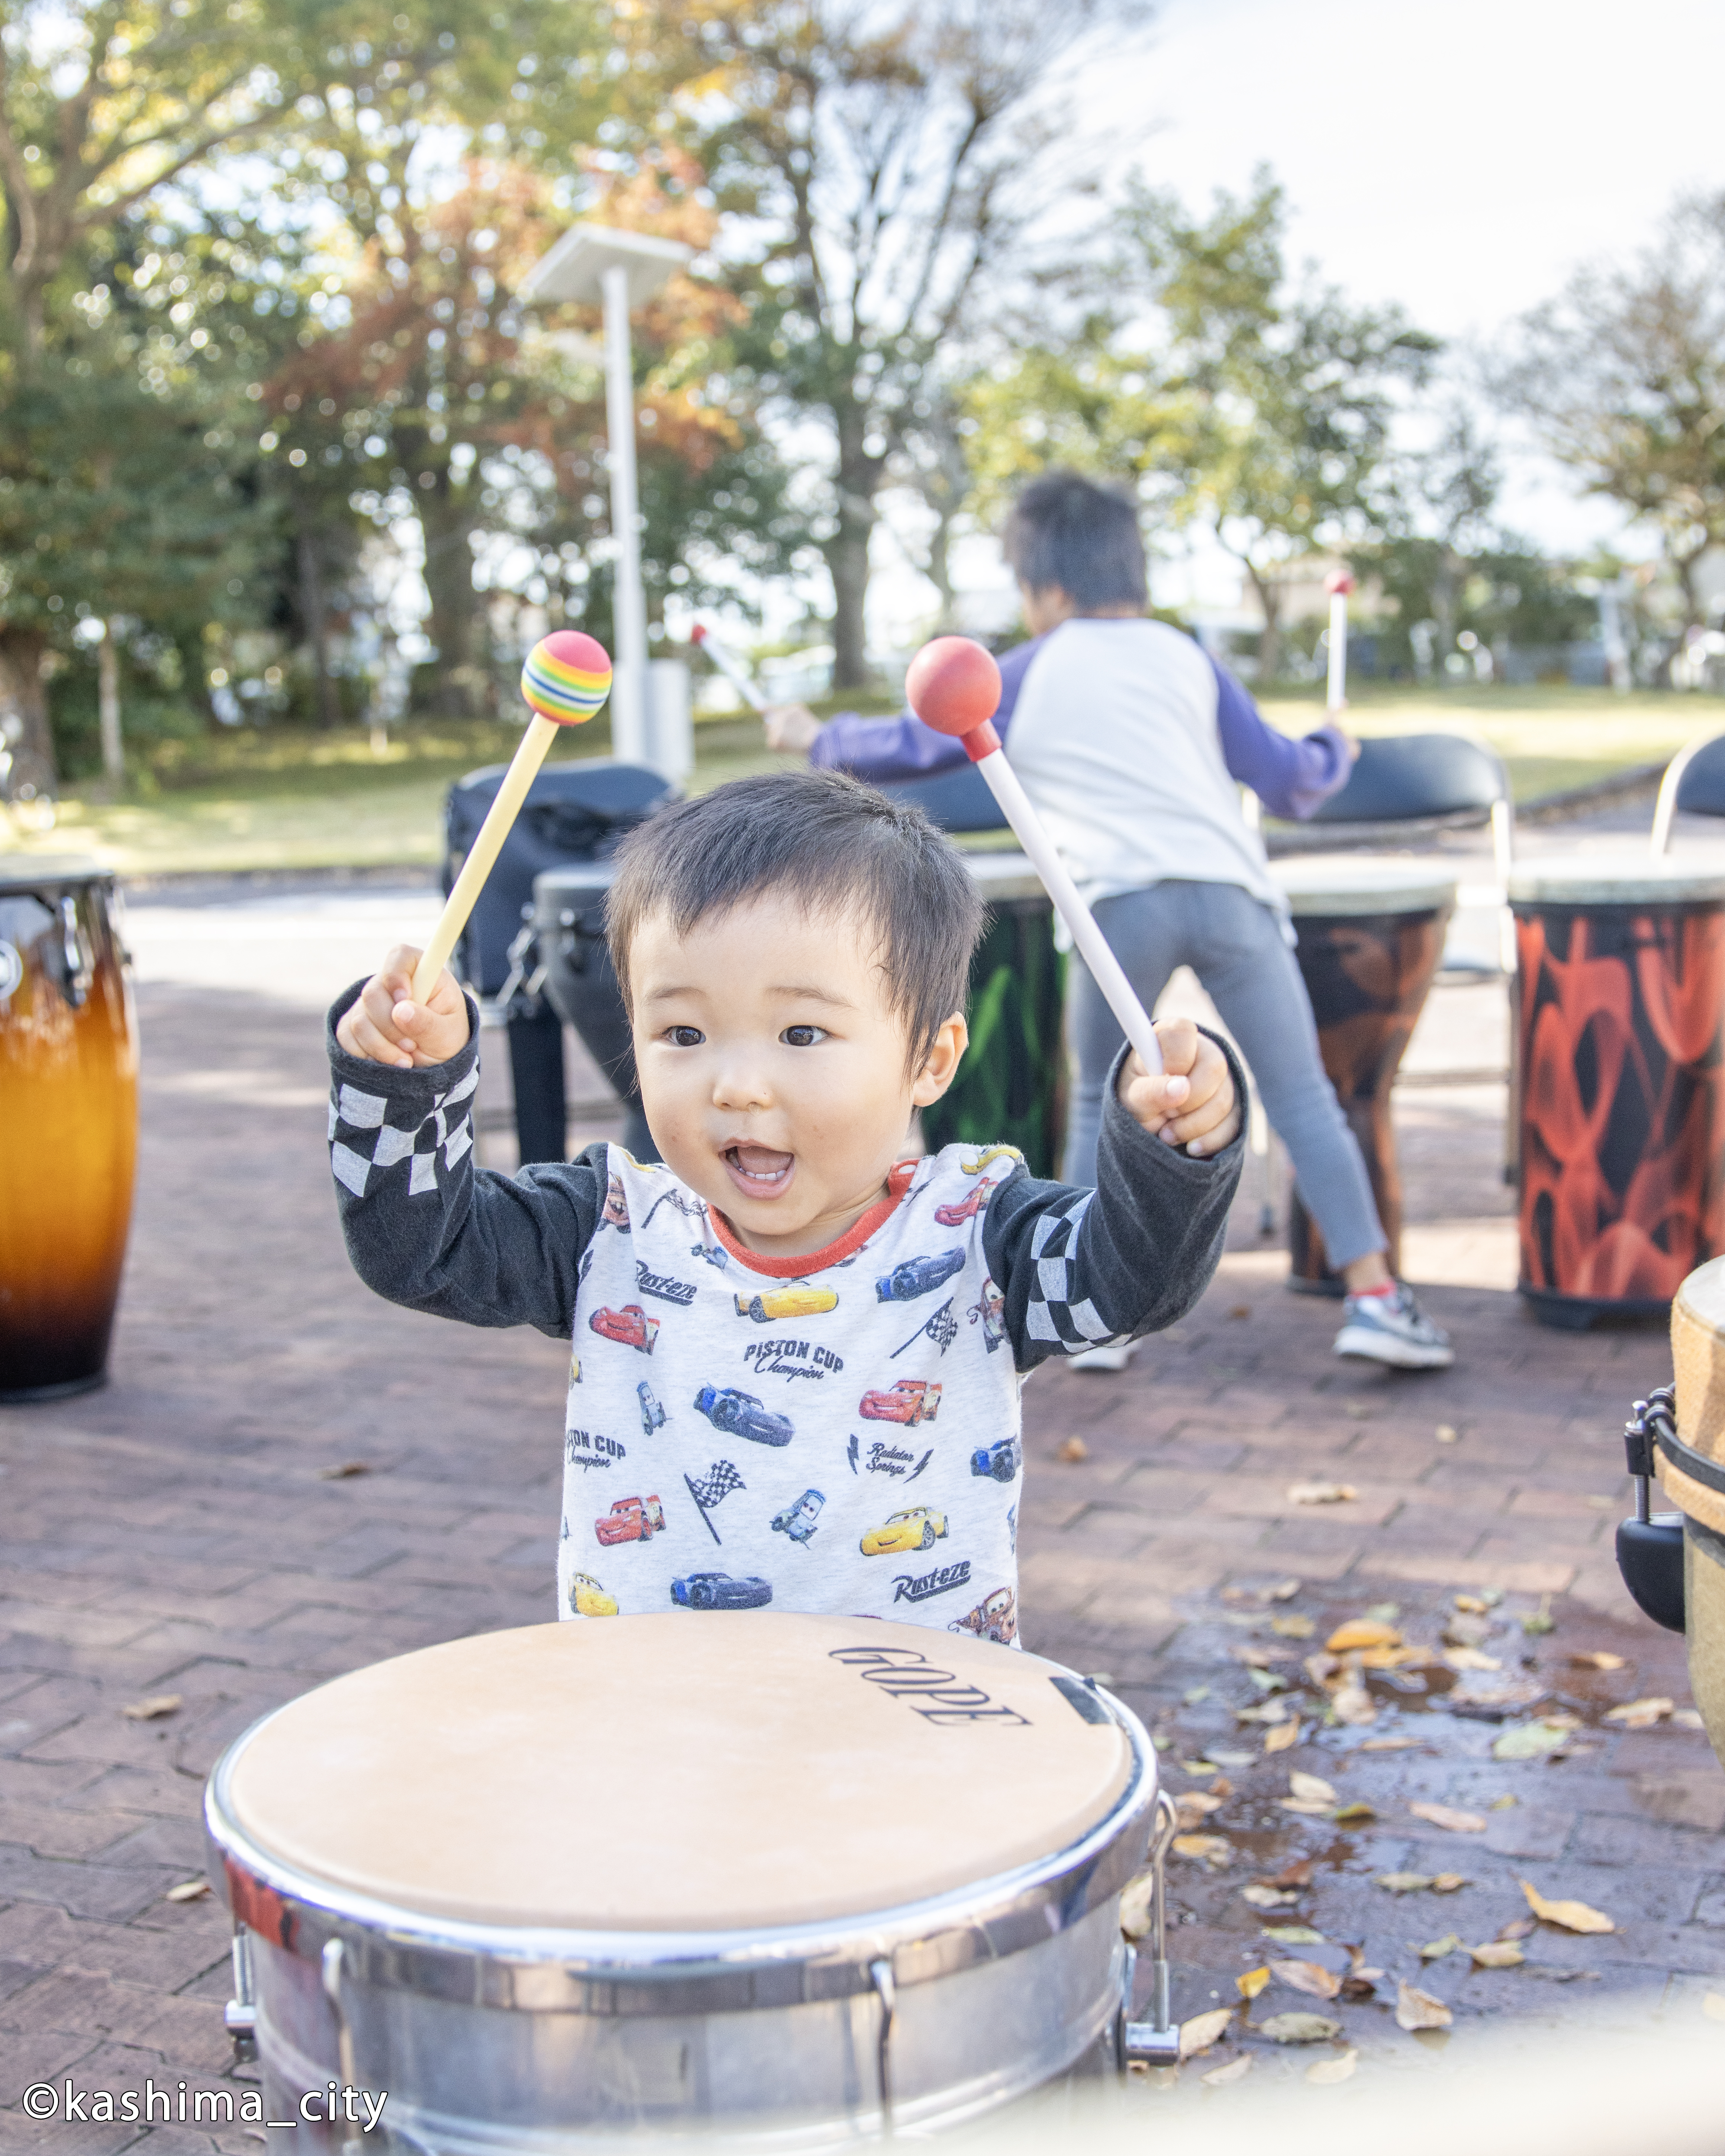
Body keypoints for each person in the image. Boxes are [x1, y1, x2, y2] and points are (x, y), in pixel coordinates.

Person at [325, 768, 1244, 1632]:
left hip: (906, 1742)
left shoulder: (979, 1239)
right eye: (681, 1031)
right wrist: (405, 1085)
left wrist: (1172, 1141)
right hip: (654, 1734)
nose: (737, 1085)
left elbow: (1132, 1282)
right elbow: (421, 1249)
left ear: (929, 1058)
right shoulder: (603, 1230)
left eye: (802, 1031)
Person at [767, 471, 1453, 1373]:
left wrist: (817, 735)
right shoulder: (1186, 654)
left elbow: (912, 740)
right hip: (1230, 895)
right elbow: (1291, 779)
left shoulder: (1028, 666)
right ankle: (1375, 1296)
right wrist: (1332, 744)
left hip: (1116, 907)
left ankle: (1089, 1312)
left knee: (1098, 1096)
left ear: (1046, 587)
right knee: (1301, 1097)